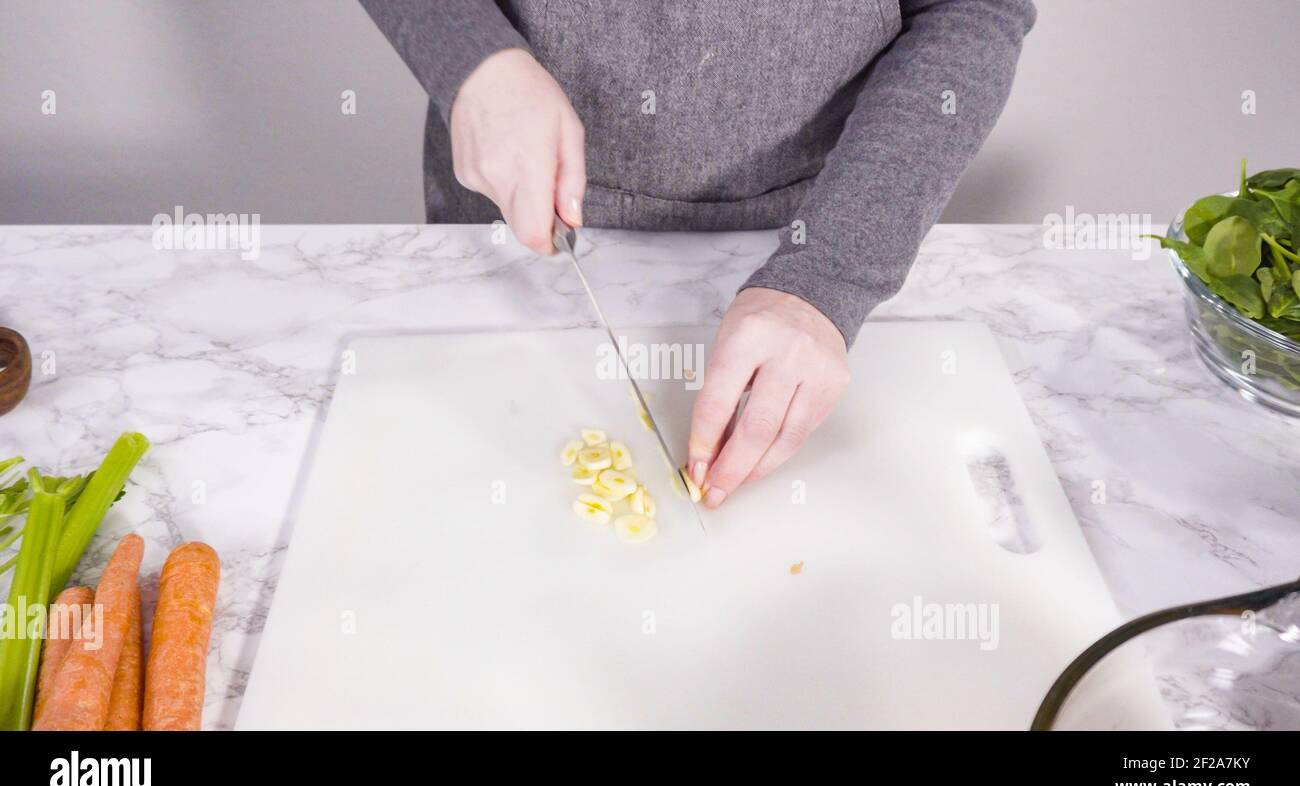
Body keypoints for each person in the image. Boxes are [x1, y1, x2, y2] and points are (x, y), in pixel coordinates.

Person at [360, 0, 1035, 508]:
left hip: (819, 227)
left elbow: (971, 7)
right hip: (511, 218)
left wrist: (832, 272)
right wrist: (472, 57)